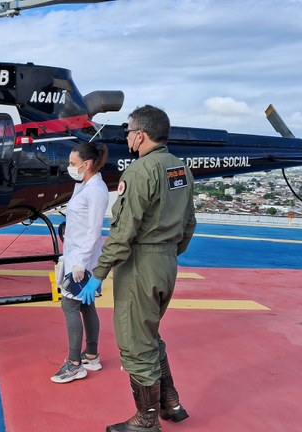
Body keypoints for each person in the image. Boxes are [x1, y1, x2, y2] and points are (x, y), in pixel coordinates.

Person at [76, 105, 196, 432]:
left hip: (141, 265)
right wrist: (167, 253)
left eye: (128, 132)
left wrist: (98, 273)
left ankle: (146, 420)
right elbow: (189, 224)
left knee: (135, 342)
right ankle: (170, 402)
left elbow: (123, 230)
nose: (127, 137)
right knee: (150, 335)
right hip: (166, 262)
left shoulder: (140, 170)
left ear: (140, 135)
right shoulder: (179, 169)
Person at [50, 142, 109, 384]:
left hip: (82, 260)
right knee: (85, 304)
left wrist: (81, 263)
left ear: (87, 164)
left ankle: (74, 364)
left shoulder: (96, 190)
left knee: (70, 306)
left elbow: (94, 229)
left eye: (74, 164)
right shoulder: (85, 185)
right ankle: (91, 355)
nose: (69, 167)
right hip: (77, 256)